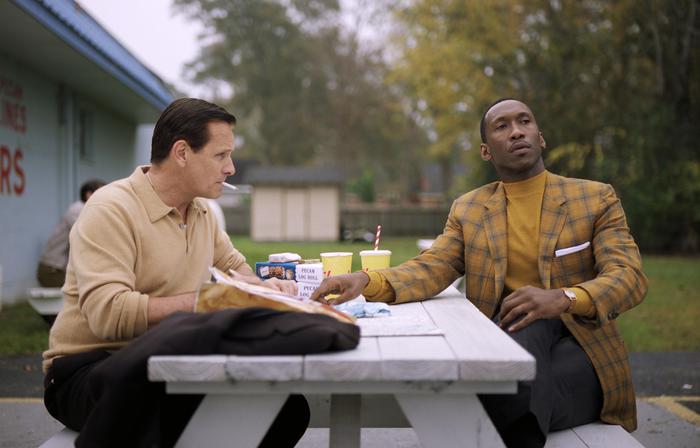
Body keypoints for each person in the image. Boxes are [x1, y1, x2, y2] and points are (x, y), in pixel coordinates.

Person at [310, 98, 648, 447]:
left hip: (581, 345)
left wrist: (562, 298)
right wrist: (365, 280)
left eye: (524, 122)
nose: (516, 131)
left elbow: (629, 276)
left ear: (541, 137)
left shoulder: (594, 199)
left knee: (494, 387)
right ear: (487, 151)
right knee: (516, 377)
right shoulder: (470, 208)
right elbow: (433, 266)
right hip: (505, 343)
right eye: (502, 126)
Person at [42, 98, 336, 448]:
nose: (230, 169)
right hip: (88, 370)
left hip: (166, 361)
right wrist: (210, 302)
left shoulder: (201, 212)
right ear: (181, 152)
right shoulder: (110, 209)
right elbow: (110, 315)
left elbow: (234, 268)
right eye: (220, 155)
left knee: (286, 410)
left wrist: (264, 288)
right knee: (189, 411)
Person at [36, 179, 105, 287]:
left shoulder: (87, 210)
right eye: (102, 192)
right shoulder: (78, 210)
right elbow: (91, 236)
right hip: (52, 271)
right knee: (91, 288)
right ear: (88, 195)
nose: (107, 197)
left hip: (58, 270)